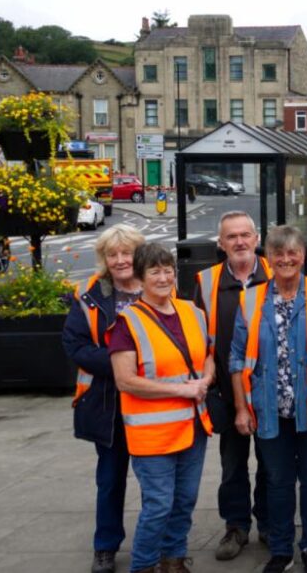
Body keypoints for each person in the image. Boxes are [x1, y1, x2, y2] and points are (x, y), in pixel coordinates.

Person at [229, 226, 307, 573]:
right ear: (269, 259)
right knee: (276, 480)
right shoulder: (251, 299)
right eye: (279, 254)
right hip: (268, 409)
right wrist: (242, 408)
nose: (286, 259)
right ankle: (280, 549)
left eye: (293, 253)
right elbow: (236, 358)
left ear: (303, 255)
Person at [109, 243, 215, 573]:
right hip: (152, 434)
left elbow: (208, 356)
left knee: (184, 501)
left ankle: (173, 559)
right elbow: (124, 380)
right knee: (158, 505)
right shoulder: (128, 322)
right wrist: (182, 389)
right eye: (154, 271)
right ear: (140, 278)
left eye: (168, 269)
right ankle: (143, 565)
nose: (164, 276)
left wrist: (205, 381)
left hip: (193, 427)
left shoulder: (193, 312)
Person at [64, 224, 146, 573]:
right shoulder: (89, 295)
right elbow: (75, 346)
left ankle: (161, 543)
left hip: (150, 404)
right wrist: (122, 365)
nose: (120, 260)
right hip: (107, 403)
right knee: (110, 478)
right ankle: (105, 547)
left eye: (126, 253)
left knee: (156, 481)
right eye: (112, 254)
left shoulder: (160, 286)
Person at [193, 210, 272, 560]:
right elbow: (197, 339)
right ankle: (236, 526)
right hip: (227, 392)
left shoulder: (276, 273)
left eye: (246, 235)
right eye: (231, 237)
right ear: (221, 244)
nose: (240, 242)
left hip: (270, 392)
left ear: (257, 239)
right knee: (232, 466)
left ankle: (269, 522)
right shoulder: (205, 282)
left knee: (273, 464)